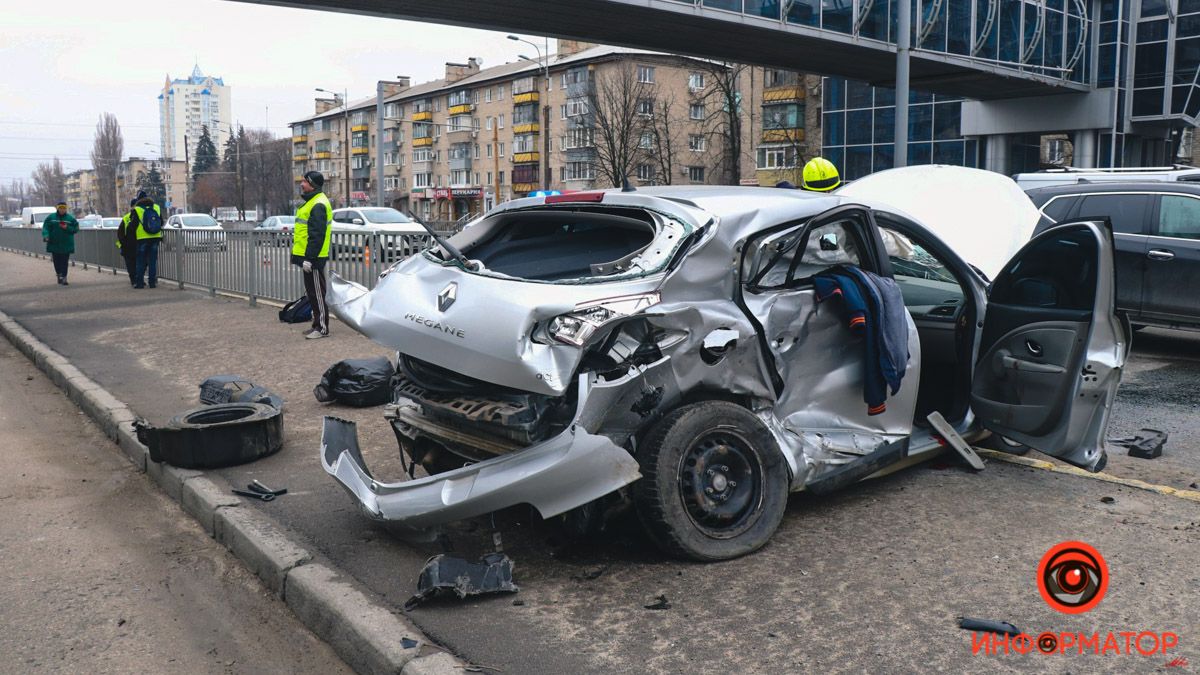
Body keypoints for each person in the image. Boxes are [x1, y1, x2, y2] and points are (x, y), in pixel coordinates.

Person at [292, 171, 333, 339]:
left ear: (313, 185)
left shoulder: (318, 204)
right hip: (308, 257)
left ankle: (322, 328)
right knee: (312, 293)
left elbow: (317, 235)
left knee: (317, 293)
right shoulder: (312, 202)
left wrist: (309, 258)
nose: (302, 184)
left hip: (313, 259)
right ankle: (316, 324)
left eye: (305, 181)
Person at [41, 200, 79, 285]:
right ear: (57, 208)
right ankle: (59, 274)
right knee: (56, 261)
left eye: (64, 208)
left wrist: (67, 227)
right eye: (60, 208)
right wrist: (46, 235)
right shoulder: (51, 218)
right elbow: (45, 228)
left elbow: (76, 229)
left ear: (66, 209)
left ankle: (64, 278)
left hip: (66, 244)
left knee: (64, 261)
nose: (62, 210)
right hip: (54, 244)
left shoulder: (70, 218)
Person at [132, 190, 164, 289]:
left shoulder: (137, 209)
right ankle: (152, 283)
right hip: (155, 237)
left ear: (138, 200)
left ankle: (140, 283)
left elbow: (133, 225)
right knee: (152, 261)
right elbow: (161, 222)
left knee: (140, 261)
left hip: (142, 239)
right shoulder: (156, 207)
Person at [116, 198, 139, 286]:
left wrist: (123, 243)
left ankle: (134, 280)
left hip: (129, 245)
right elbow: (120, 233)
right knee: (134, 264)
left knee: (132, 264)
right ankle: (134, 280)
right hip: (132, 244)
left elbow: (120, 233)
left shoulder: (126, 217)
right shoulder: (128, 217)